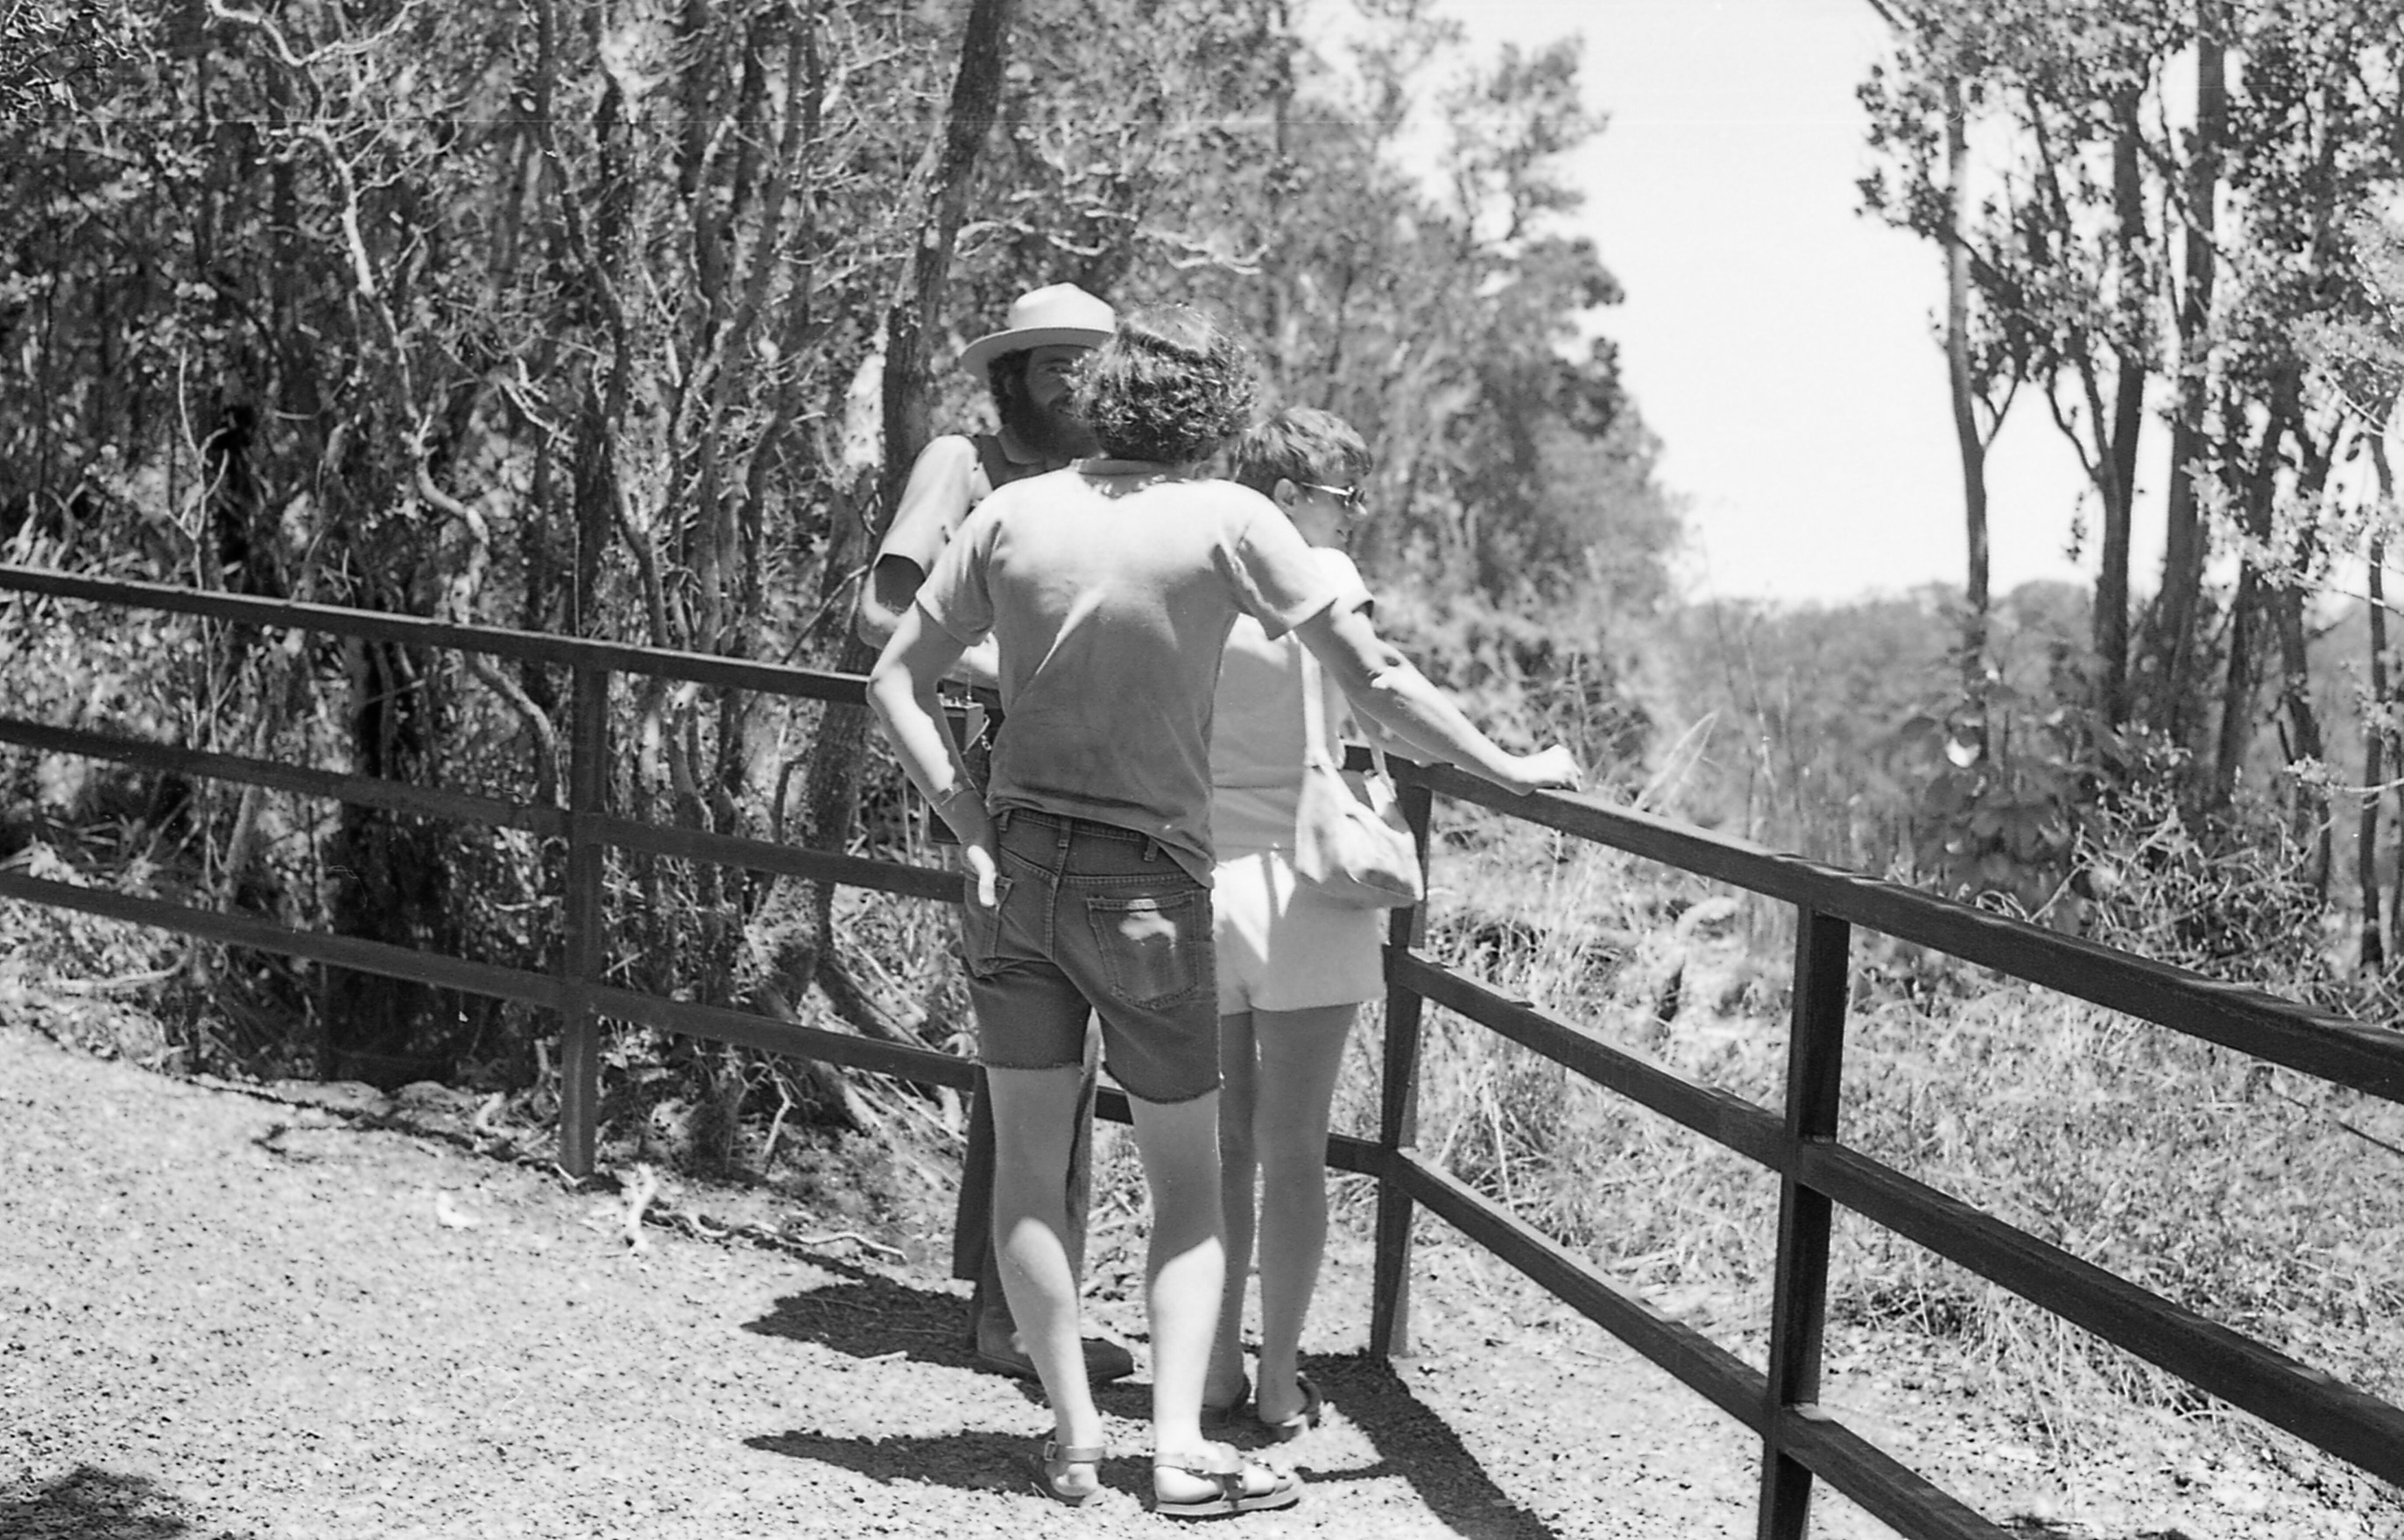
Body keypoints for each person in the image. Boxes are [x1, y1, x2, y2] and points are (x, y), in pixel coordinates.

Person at [866, 306, 1581, 1515]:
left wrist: (971, 825)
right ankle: (1183, 1445)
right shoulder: (1231, 518)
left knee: (1028, 1175)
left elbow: (892, 672)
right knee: (1193, 1184)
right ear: (1214, 416)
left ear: (1095, 400)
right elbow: (1379, 683)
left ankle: (1076, 1437)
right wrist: (1507, 765)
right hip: (1145, 884)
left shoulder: (1010, 511)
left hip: (1020, 869)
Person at [1201, 407, 1578, 1438]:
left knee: (1222, 1150)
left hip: (1201, 883)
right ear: (1290, 498)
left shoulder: (1193, 566)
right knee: (1293, 1149)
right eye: (1342, 497)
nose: (1350, 518)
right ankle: (1279, 1381)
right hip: (1306, 892)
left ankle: (1213, 1373)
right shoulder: (1313, 573)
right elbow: (1386, 684)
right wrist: (1507, 763)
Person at [852, 282, 1136, 1387]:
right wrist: (1017, 669)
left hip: (1082, 790)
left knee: (1046, 1061)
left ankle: (1013, 1303)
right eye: (1054, 362)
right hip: (991, 793)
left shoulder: (1100, 484)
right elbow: (881, 615)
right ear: (1009, 374)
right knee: (1047, 1061)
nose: (1078, 382)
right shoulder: (964, 466)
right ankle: (1018, 1323)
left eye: (1092, 362)